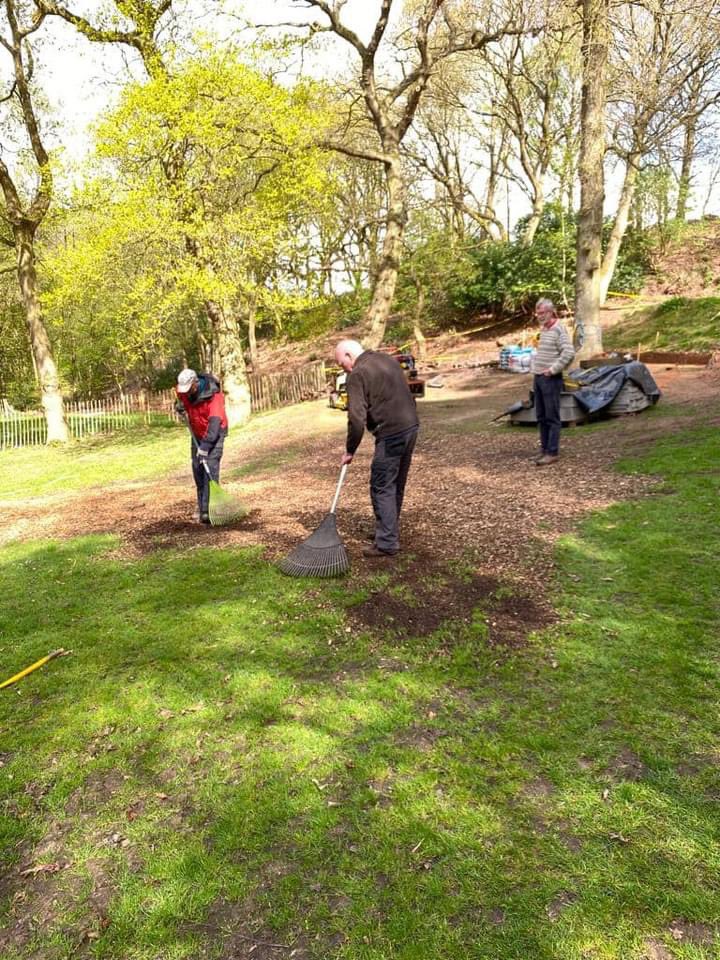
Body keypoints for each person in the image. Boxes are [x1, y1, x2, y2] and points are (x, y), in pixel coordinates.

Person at [335, 339, 419, 558]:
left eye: (342, 364)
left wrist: (350, 450)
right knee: (395, 483)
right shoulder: (386, 359)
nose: (344, 369)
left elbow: (356, 419)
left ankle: (387, 542)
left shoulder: (358, 374)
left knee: (381, 485)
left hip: (391, 433)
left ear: (348, 356)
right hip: (410, 427)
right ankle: (388, 530)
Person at [176, 368, 228, 523]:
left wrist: (205, 447)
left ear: (195, 383)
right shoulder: (184, 391)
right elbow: (180, 400)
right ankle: (202, 508)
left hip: (215, 434)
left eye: (188, 389)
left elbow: (215, 425)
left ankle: (210, 510)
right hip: (197, 434)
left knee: (210, 469)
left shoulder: (214, 397)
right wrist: (179, 407)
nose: (185, 393)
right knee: (198, 469)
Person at [530, 299, 576, 465]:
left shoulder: (559, 329)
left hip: (550, 379)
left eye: (542, 313)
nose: (539, 316)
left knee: (552, 416)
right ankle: (544, 450)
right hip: (539, 377)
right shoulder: (544, 329)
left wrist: (553, 370)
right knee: (541, 416)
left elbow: (569, 353)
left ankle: (552, 452)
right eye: (538, 313)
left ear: (551, 312)